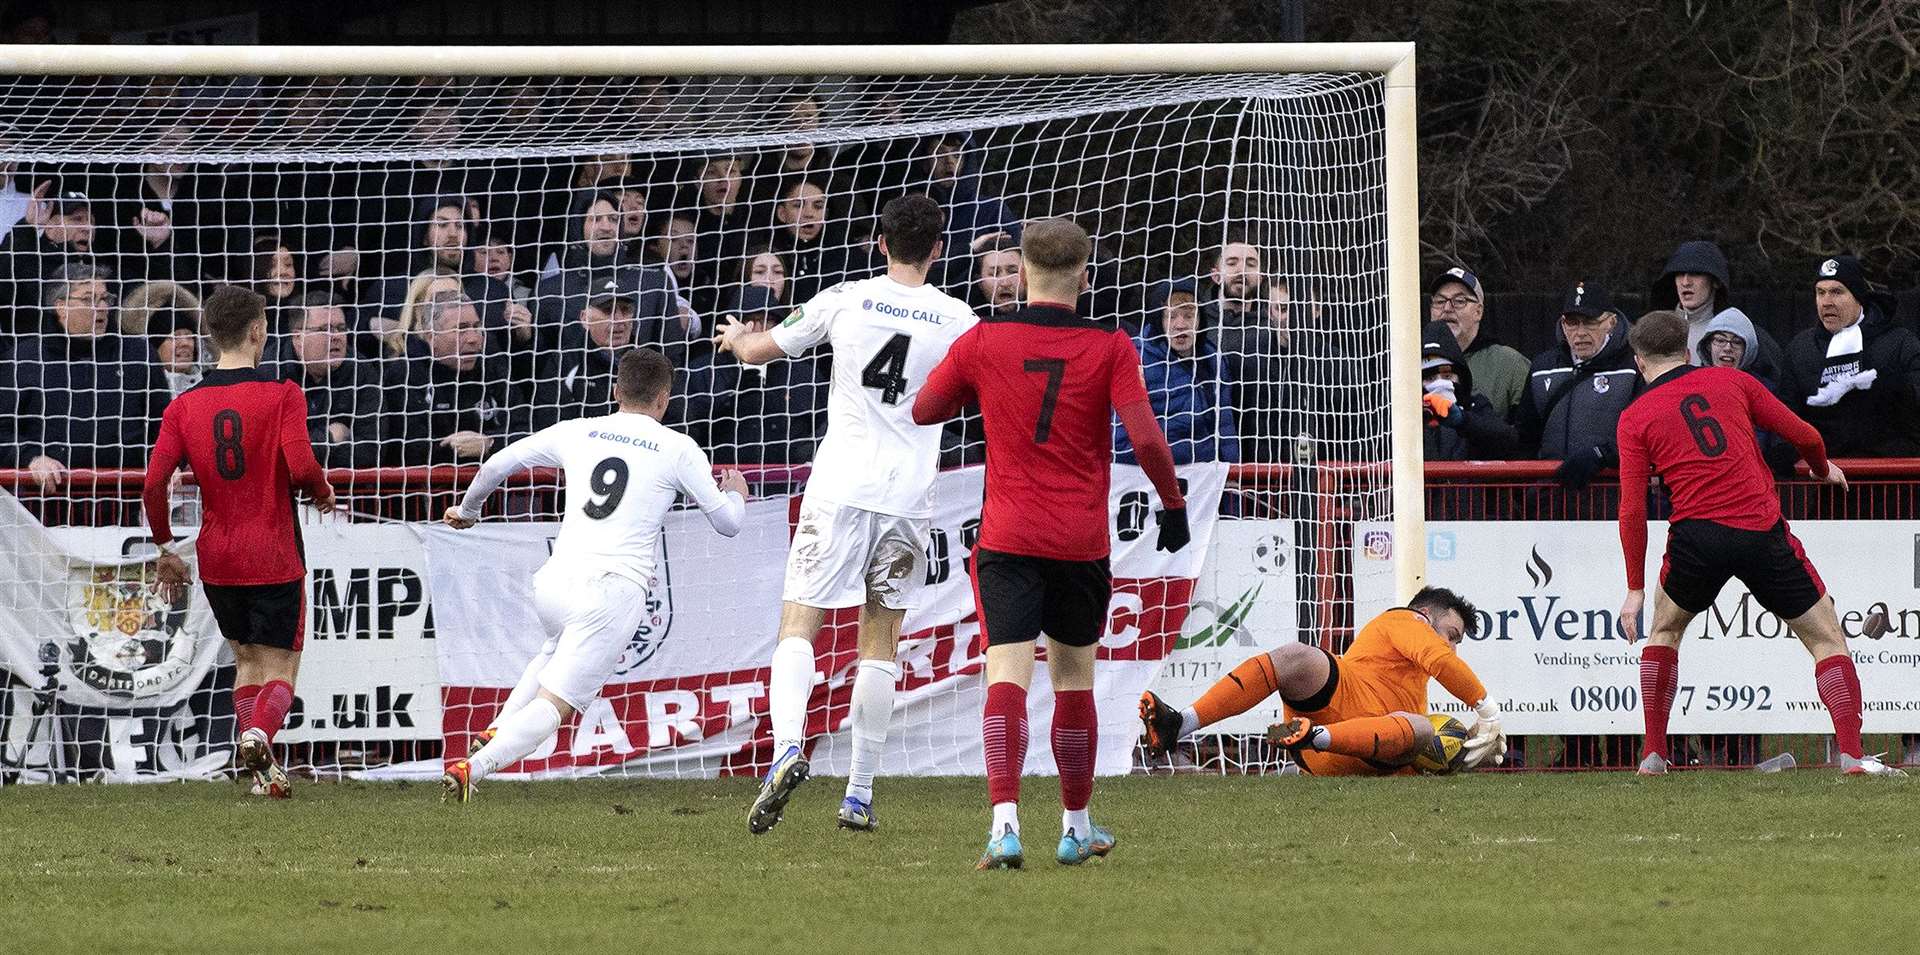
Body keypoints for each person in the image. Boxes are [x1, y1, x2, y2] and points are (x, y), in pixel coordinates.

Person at [911, 217, 1189, 869]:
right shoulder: (1112, 345)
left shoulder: (985, 339)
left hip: (1007, 536)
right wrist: (1172, 505)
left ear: (1024, 275)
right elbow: (1147, 437)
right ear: (1084, 278)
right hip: (1079, 541)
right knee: (1072, 680)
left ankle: (1004, 826)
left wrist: (980, 384)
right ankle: (1075, 826)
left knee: (1006, 671)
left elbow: (924, 409)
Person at [714, 194, 976, 835]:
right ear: (938, 249)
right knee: (881, 640)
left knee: (799, 620)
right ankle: (858, 792)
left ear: (879, 243)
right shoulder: (961, 320)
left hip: (838, 489)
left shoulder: (845, 298)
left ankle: (784, 750)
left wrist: (733, 338)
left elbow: (760, 351)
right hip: (910, 498)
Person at [440, 348, 750, 801]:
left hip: (554, 581)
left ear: (615, 391)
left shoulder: (578, 430)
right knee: (556, 704)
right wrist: (737, 494)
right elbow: (728, 524)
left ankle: (498, 729)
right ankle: (476, 767)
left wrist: (467, 511)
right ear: (664, 400)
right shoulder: (678, 447)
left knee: (551, 649)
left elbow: (496, 464)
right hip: (611, 592)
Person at [1613, 309, 1902, 776]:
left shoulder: (1634, 417)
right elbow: (1806, 435)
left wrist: (1634, 589)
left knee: (1664, 632)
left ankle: (1653, 755)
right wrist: (1822, 466)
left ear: (1639, 362)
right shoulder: (1732, 382)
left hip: (1695, 538)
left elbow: (1631, 510)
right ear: (1688, 351)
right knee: (1827, 638)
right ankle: (1850, 754)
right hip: (1759, 529)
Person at [140, 285, 338, 798]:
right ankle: (256, 735)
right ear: (258, 331)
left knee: (246, 661)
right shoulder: (282, 394)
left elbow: (151, 483)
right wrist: (320, 491)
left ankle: (262, 773)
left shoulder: (184, 406)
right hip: (273, 549)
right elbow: (301, 465)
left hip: (218, 554)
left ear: (209, 335)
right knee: (282, 665)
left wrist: (165, 547)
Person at [1139, 587, 1506, 776]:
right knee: (1298, 656)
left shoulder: (1415, 684)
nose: (1451, 647)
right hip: (1342, 703)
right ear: (1424, 615)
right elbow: (1438, 658)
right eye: (1452, 634)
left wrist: (1467, 752)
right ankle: (1179, 724)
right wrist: (1487, 708)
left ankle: (1312, 735)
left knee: (1421, 727)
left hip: (1359, 748)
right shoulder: (1406, 621)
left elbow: (1425, 757)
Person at [1775, 256, 1920, 457]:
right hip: (1828, 479)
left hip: (1891, 477)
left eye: (1836, 292)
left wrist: (1895, 388)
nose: (1826, 302)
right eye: (1820, 292)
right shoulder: (1800, 349)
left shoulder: (1900, 343)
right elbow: (1785, 414)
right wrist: (1785, 449)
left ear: (1858, 297)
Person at [1515, 281, 1641, 488]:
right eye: (1572, 323)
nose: (1580, 332)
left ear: (1611, 322)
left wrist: (1602, 455)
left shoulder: (1634, 366)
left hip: (1610, 499)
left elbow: (1645, 436)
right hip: (1549, 498)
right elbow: (1525, 436)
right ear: (1563, 325)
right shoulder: (1542, 367)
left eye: (1590, 322)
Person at [1114, 278, 1238, 465]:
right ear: (1159, 319)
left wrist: (1230, 477)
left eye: (1189, 315)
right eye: (1172, 316)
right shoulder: (1134, 360)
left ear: (1200, 319)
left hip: (1209, 486)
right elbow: (1121, 440)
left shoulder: (1214, 361)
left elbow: (1226, 428)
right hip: (1151, 483)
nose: (1181, 324)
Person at [1428, 266, 1528, 420]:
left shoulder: (1510, 364)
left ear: (1478, 311)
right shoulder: (1411, 364)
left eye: (1459, 301)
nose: (1447, 308)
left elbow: (1525, 436)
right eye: (1440, 301)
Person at [1419, 320, 1520, 461]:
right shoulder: (1404, 417)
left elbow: (1508, 438)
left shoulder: (1475, 405)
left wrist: (1462, 420)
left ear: (1461, 377)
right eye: (1429, 378)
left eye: (1447, 376)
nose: (1440, 383)